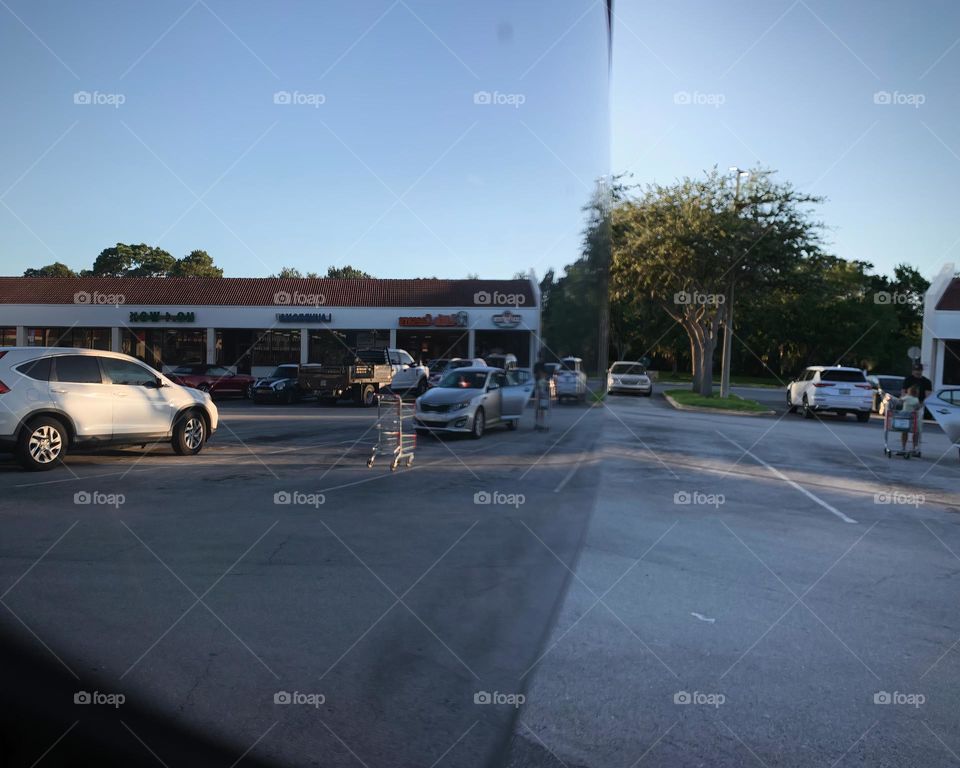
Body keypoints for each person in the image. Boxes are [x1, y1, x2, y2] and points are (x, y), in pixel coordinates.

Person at [898, 384, 922, 452]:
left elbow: (900, 401)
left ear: (909, 391)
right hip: (912, 418)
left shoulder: (906, 397)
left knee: (904, 432)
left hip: (905, 417)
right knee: (915, 432)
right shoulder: (916, 399)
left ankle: (903, 446)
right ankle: (914, 447)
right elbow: (918, 407)